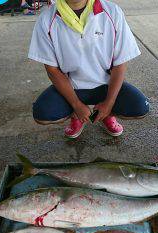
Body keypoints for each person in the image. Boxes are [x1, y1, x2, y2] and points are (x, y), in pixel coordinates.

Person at [28, 0, 150, 138]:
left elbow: (120, 63)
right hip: (72, 88)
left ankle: (106, 114)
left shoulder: (112, 12)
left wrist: (109, 103)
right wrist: (76, 105)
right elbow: (52, 70)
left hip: (106, 85)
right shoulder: (47, 19)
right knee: (43, 113)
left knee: (140, 107)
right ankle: (76, 116)